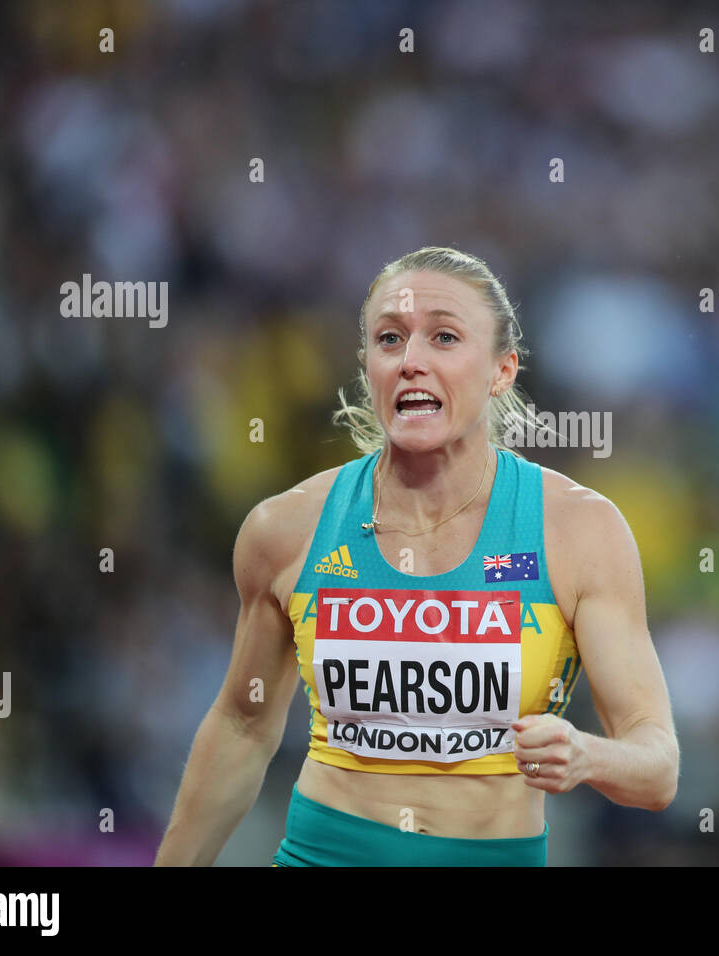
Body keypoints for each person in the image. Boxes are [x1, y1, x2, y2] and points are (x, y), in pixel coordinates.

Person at [154, 246, 678, 866]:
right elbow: (242, 727)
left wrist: (587, 755)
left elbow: (657, 767)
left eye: (445, 337)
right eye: (390, 339)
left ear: (501, 371)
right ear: (367, 366)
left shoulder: (579, 531)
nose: (411, 362)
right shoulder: (287, 528)